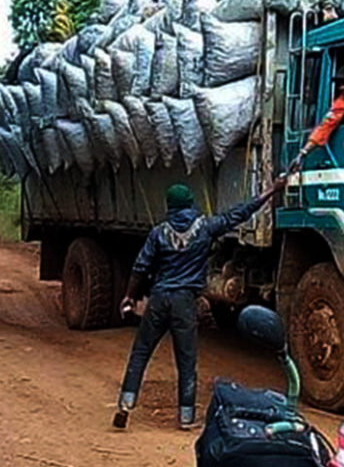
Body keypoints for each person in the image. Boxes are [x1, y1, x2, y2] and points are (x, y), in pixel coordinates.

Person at [113, 177, 287, 431]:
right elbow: (238, 214)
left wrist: (129, 295)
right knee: (186, 360)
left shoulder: (158, 233)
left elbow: (140, 267)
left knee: (141, 353)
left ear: (170, 205)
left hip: (159, 299)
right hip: (184, 302)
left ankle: (125, 404)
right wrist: (270, 191)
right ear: (190, 203)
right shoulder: (206, 227)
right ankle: (185, 417)